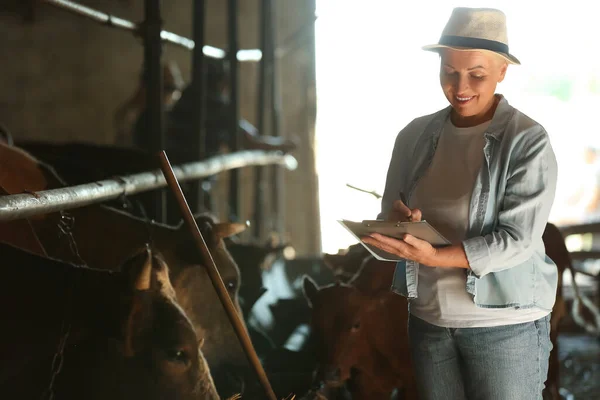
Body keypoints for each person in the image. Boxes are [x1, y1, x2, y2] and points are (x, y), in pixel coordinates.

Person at [361, 7, 558, 400]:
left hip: (506, 328)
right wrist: (398, 224)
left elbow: (516, 240)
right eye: (449, 71)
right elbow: (390, 212)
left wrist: (434, 257)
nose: (460, 85)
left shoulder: (527, 141)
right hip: (429, 322)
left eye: (477, 74)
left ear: (502, 71)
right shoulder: (413, 136)